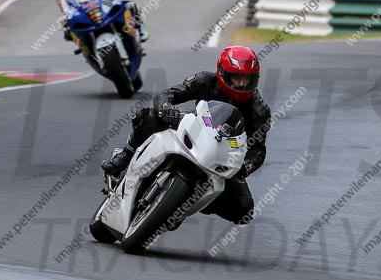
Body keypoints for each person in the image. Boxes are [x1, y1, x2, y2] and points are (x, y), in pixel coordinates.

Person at [102, 45, 271, 225]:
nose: (242, 84)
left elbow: (258, 149)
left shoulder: (259, 111)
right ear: (223, 72)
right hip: (195, 129)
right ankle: (126, 156)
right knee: (146, 117)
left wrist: (246, 166)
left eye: (248, 79)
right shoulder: (205, 80)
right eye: (237, 77)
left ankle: (185, 203)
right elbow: (169, 94)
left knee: (244, 209)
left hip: (223, 153)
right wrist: (166, 107)